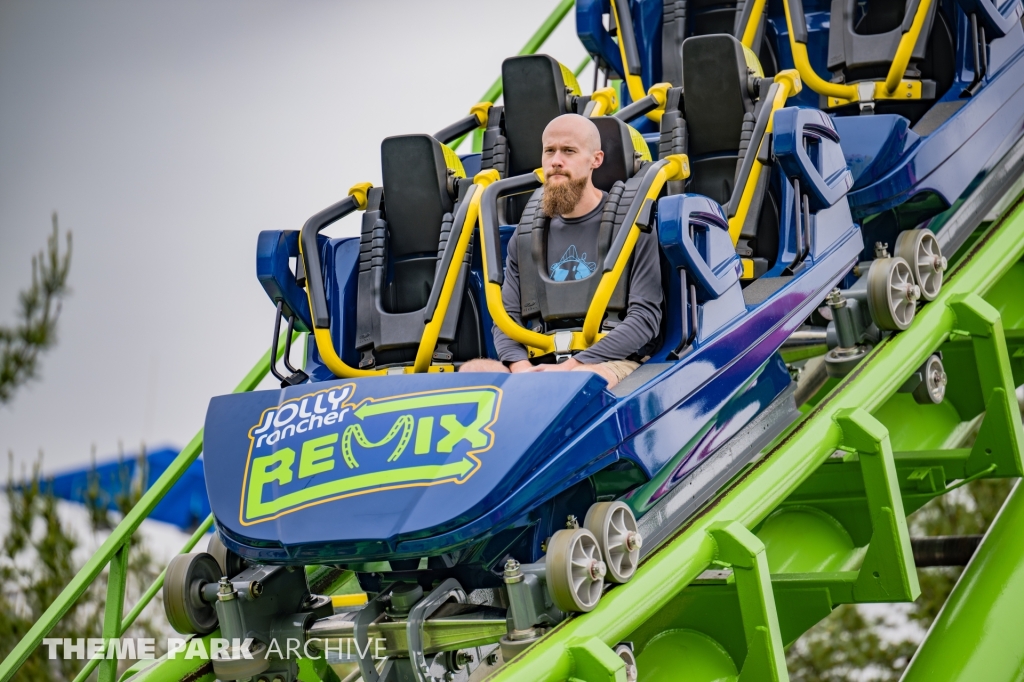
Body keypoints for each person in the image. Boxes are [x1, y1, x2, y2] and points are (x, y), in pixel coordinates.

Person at [460, 113, 662, 389]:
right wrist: (520, 368)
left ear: (596, 159)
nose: (556, 160)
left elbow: (645, 319)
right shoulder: (526, 234)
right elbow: (506, 320)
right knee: (474, 371)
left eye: (568, 151)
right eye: (549, 151)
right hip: (541, 361)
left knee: (579, 383)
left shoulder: (632, 223)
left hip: (608, 360)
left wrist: (572, 366)